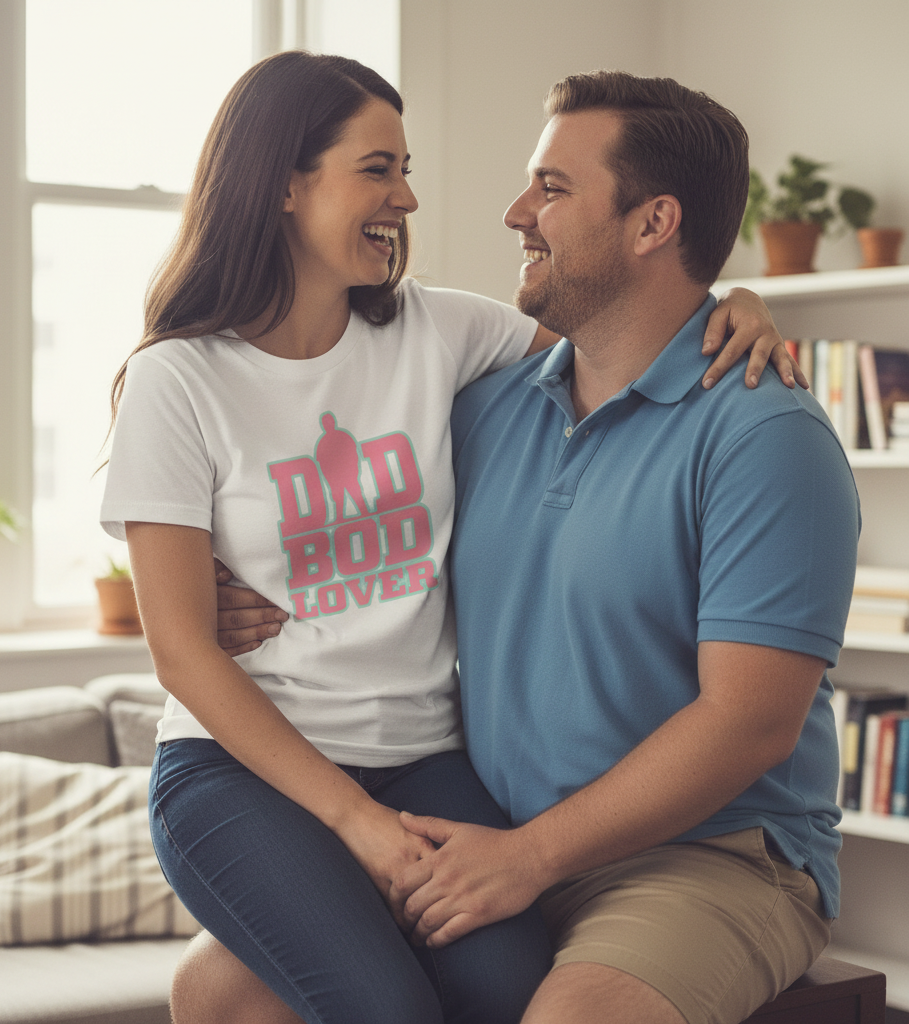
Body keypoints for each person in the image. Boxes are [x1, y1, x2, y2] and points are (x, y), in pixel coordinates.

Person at [100, 52, 802, 1024]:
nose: (411, 196)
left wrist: (738, 305)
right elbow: (178, 643)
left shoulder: (439, 337)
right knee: (378, 1007)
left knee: (503, 990)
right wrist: (359, 826)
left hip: (421, 763)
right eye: (377, 169)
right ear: (283, 186)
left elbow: (631, 335)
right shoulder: (179, 378)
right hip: (253, 774)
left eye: (405, 166)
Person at [380, 72, 861, 1024]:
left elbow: (749, 724)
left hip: (708, 858)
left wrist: (527, 860)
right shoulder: (483, 407)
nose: (516, 212)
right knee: (223, 988)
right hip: (494, 829)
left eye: (552, 189)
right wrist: (227, 584)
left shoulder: (768, 437)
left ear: (654, 224)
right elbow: (330, 499)